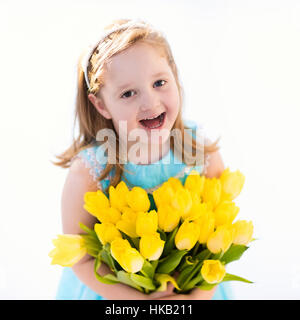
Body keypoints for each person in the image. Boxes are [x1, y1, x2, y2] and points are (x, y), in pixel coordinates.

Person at [53, 18, 233, 300]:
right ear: (101, 104)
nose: (149, 102)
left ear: (174, 75)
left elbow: (222, 236)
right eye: (128, 93)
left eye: (159, 82)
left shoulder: (200, 151)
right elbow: (82, 259)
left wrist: (198, 297)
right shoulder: (90, 171)